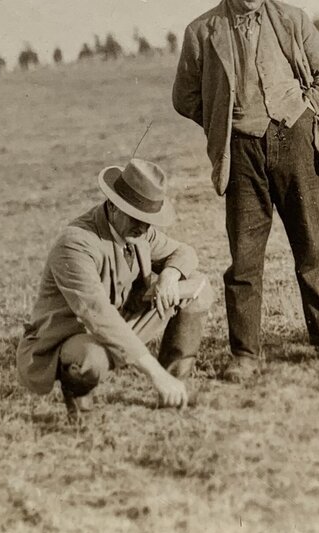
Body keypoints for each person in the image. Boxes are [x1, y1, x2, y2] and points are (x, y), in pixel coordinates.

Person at [172, 0, 319, 382]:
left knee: (309, 246)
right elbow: (184, 96)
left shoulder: (292, 20)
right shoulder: (202, 31)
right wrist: (222, 121)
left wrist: (306, 109)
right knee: (245, 256)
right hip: (241, 153)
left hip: (293, 143)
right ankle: (245, 355)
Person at [16, 158, 215, 417]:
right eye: (137, 218)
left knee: (197, 288)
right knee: (91, 358)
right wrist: (152, 373)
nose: (143, 227)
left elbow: (184, 252)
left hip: (118, 324)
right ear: (113, 206)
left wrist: (168, 276)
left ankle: (175, 386)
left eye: (149, 220)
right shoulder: (76, 243)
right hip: (71, 336)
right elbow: (97, 313)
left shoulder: (141, 232)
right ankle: (79, 401)